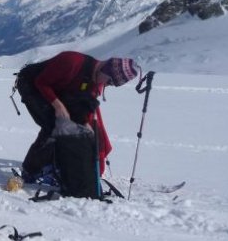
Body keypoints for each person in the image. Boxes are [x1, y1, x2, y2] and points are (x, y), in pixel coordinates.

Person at [14, 51, 139, 183]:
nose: (107, 85)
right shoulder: (72, 62)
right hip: (31, 85)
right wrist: (58, 105)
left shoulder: (96, 82)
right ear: (106, 69)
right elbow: (42, 83)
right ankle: (30, 170)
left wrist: (86, 125)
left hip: (56, 89)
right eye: (110, 81)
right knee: (52, 126)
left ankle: (54, 163)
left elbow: (83, 108)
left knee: (69, 126)